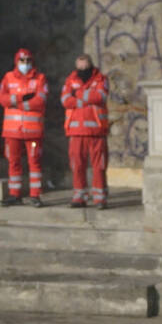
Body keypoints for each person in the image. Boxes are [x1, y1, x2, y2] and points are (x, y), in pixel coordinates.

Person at [0, 48, 48, 207]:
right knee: (13, 161)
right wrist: (19, 98)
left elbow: (41, 99)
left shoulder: (40, 78)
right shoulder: (8, 77)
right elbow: (0, 97)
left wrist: (22, 104)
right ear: (16, 62)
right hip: (12, 131)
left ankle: (35, 195)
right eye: (22, 61)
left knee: (34, 162)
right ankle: (14, 194)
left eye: (28, 61)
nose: (25, 64)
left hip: (33, 131)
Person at [61, 55, 110, 209]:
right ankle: (79, 196)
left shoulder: (101, 79)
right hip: (76, 131)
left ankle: (99, 198)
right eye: (79, 67)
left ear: (91, 66)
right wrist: (85, 98)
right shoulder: (70, 79)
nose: (82, 70)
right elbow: (65, 100)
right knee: (77, 165)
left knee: (99, 166)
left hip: (96, 130)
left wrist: (78, 95)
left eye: (85, 67)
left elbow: (100, 96)